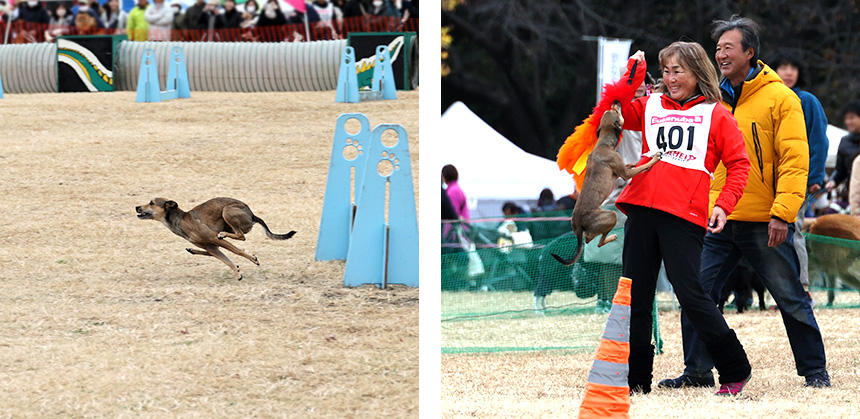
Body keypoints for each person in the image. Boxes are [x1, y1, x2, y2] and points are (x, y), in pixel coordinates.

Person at [661, 15, 830, 390]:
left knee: (790, 297)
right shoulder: (710, 100)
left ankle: (815, 373)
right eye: (717, 48)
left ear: (749, 52)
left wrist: (783, 214)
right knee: (697, 295)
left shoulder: (781, 98)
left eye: (728, 48)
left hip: (765, 219)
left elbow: (794, 160)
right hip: (717, 217)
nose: (720, 54)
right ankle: (698, 372)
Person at [614, 43, 752, 396]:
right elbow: (611, 112)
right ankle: (636, 381)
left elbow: (739, 164)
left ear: (697, 73)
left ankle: (735, 369)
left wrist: (723, 204)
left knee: (691, 294)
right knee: (636, 298)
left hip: (684, 215)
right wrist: (633, 75)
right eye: (667, 71)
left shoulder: (717, 113)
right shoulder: (649, 105)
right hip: (641, 209)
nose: (671, 78)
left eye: (679, 71)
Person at [771, 51, 829, 292]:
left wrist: (814, 177)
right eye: (783, 66)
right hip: (770, 181)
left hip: (799, 179)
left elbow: (818, 141)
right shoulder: (770, 98)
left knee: (793, 230)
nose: (788, 72)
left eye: (793, 67)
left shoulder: (806, 100)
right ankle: (780, 289)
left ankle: (801, 288)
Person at [826, 100, 860, 200]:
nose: (848, 122)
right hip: (854, 194)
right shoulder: (845, 142)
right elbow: (841, 170)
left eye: (852, 118)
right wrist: (833, 181)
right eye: (846, 118)